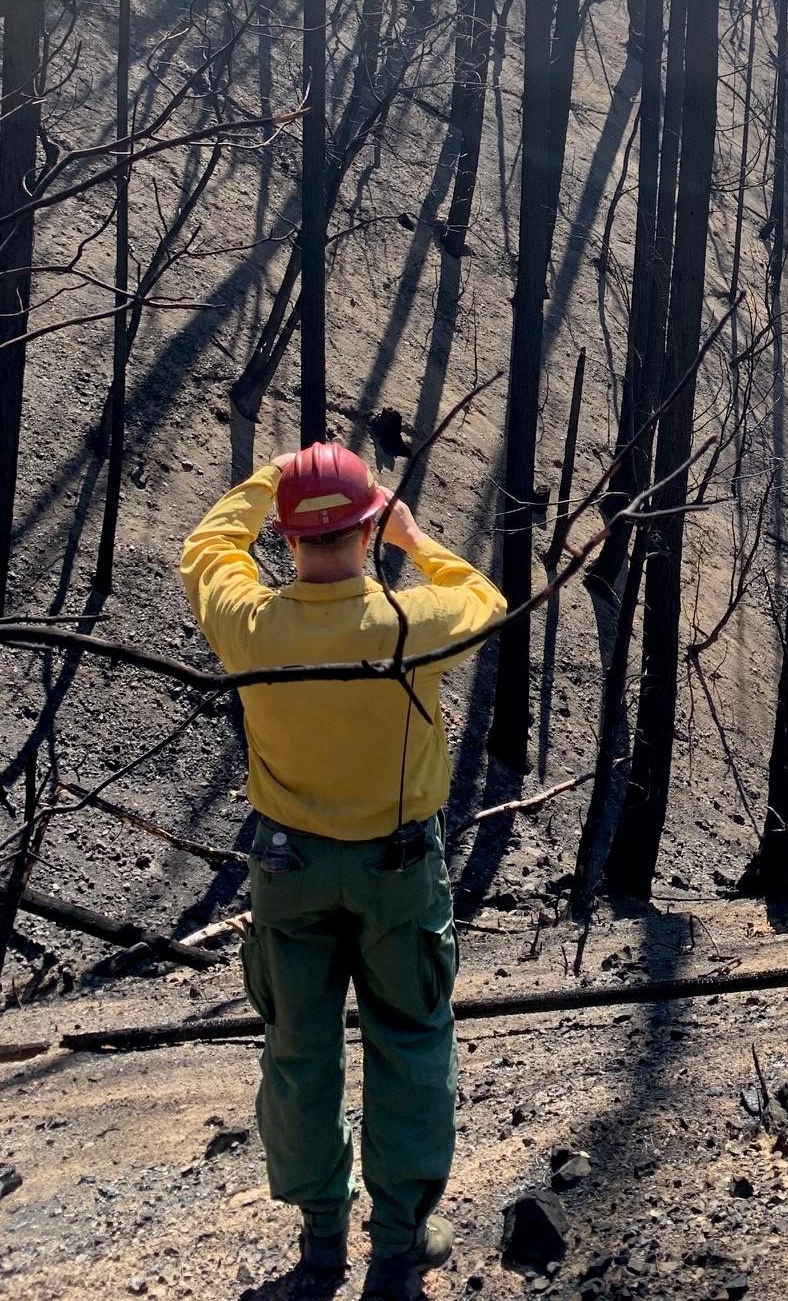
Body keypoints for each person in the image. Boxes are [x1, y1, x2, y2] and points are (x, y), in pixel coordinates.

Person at [180, 441, 505, 1297]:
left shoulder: (251, 626)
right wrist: (415, 538)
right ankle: (398, 1245)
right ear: (367, 531)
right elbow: (488, 597)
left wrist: (272, 477)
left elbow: (205, 548)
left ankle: (322, 1234)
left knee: (298, 1048)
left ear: (287, 541)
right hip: (399, 873)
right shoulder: (411, 626)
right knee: (410, 1042)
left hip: (288, 871)